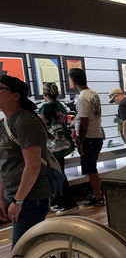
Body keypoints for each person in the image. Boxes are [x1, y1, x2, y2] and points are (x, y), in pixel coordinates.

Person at [0, 75, 52, 248]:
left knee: (22, 252)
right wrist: (2, 197)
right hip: (15, 196)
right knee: (35, 250)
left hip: (30, 198)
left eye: (1, 89)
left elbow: (33, 165)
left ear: (16, 95)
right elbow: (3, 163)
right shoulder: (5, 123)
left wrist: (18, 201)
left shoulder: (25, 121)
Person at [38, 82, 78, 214]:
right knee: (60, 172)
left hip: (53, 145)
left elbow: (42, 123)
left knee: (57, 174)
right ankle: (61, 201)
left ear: (44, 93)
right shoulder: (60, 105)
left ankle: (67, 202)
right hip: (63, 143)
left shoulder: (46, 107)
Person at [69, 68, 104, 206]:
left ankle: (98, 195)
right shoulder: (93, 93)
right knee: (92, 168)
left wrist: (80, 141)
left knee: (91, 169)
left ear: (73, 81)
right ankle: (97, 193)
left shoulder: (83, 97)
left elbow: (84, 120)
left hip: (89, 138)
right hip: (96, 135)